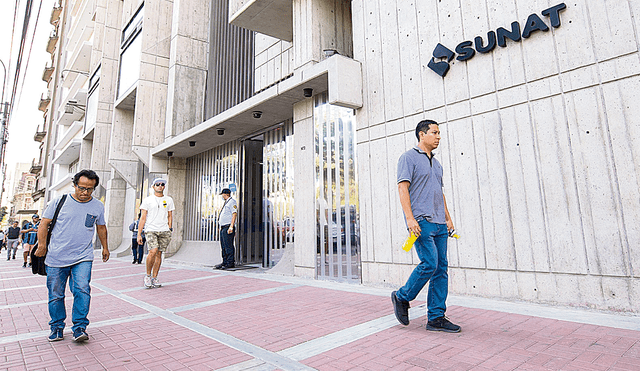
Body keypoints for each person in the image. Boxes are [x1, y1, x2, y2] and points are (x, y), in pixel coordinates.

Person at [391, 120, 460, 333]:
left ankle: (436, 317)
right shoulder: (408, 158)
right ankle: (402, 296)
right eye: (434, 132)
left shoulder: (437, 164)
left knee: (441, 269)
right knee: (429, 263)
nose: (439, 136)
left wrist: (448, 218)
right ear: (422, 135)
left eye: (439, 133)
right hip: (421, 221)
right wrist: (410, 219)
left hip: (440, 223)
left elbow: (440, 193)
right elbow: (403, 189)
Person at [34, 169, 109, 343]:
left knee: (82, 289)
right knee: (56, 294)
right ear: (74, 185)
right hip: (56, 256)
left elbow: (101, 227)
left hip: (83, 256)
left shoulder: (97, 205)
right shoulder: (60, 201)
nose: (85, 192)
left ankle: (80, 327)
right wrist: (43, 245)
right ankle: (57, 327)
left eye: (89, 189)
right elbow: (44, 224)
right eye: (81, 188)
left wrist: (105, 247)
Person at [138, 178, 174, 288]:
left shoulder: (168, 200)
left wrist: (169, 228)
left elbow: (170, 215)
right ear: (153, 187)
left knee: (159, 253)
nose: (160, 186)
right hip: (151, 230)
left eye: (162, 184)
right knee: (152, 251)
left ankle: (155, 277)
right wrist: (139, 233)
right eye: (157, 184)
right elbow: (143, 218)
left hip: (164, 230)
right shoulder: (148, 200)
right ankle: (147, 276)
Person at [215, 188, 237, 270]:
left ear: (225, 194)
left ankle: (230, 262)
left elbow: (234, 214)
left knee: (228, 246)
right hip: (223, 227)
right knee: (223, 246)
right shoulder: (226, 203)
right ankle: (225, 261)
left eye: (223, 194)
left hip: (228, 227)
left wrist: (231, 226)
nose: (222, 196)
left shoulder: (232, 202)